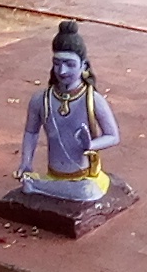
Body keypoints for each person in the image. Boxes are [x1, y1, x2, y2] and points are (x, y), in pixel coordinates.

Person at [15, 19, 121, 203]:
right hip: (54, 174)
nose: (62, 71)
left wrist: (91, 145)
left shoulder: (92, 100)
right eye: (57, 63)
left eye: (70, 64)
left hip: (83, 177)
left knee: (87, 191)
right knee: (30, 184)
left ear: (84, 66)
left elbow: (113, 136)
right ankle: (43, 185)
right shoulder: (41, 99)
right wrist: (26, 163)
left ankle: (40, 186)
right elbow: (31, 132)